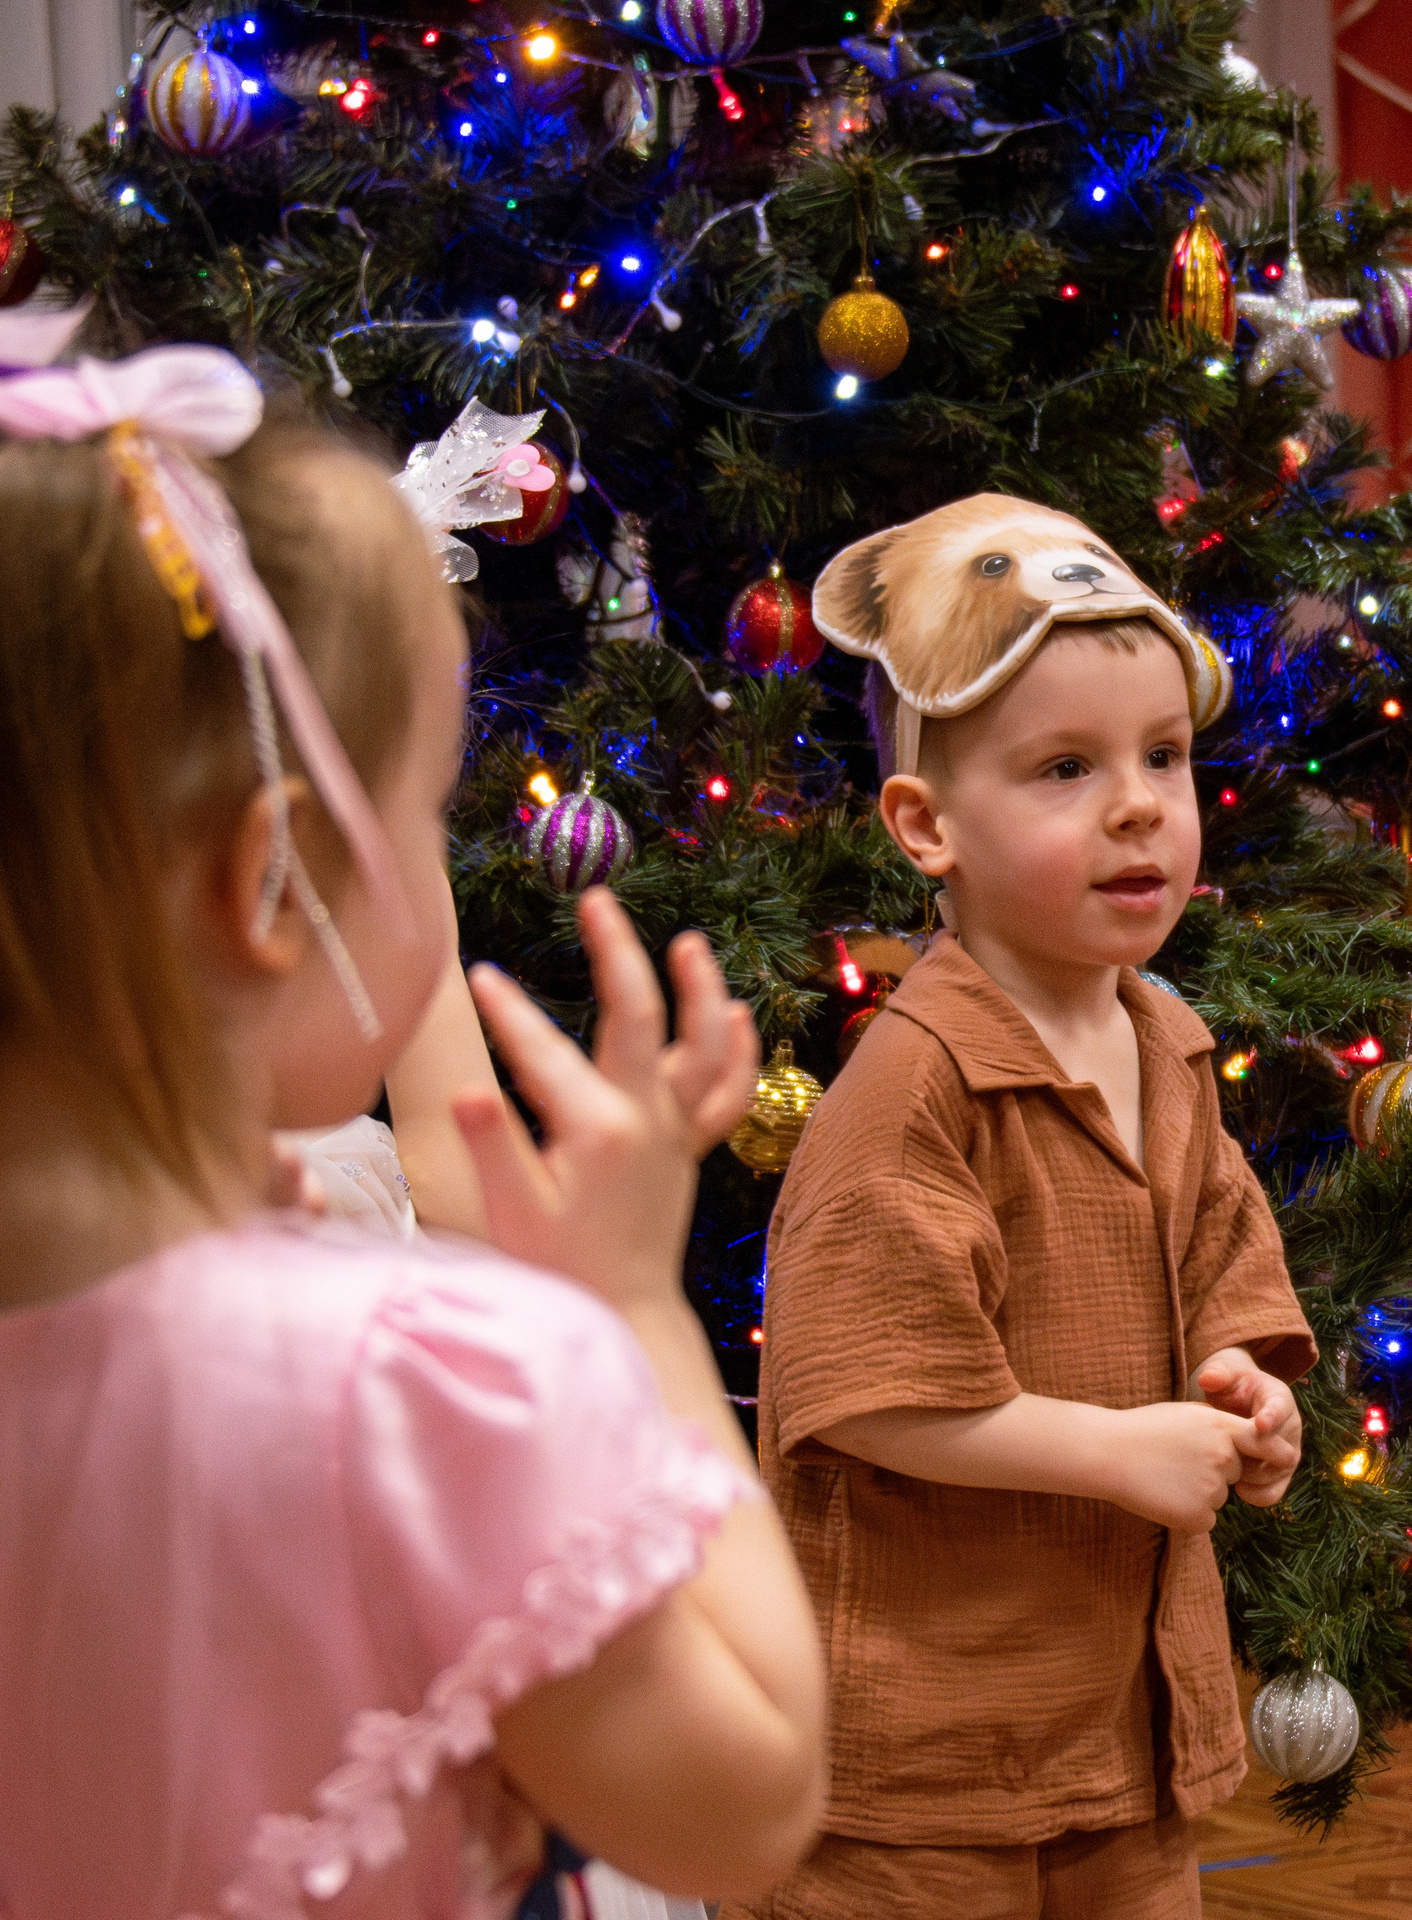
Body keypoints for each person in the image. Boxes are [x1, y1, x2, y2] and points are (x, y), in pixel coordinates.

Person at [0, 315, 826, 1919]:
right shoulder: (429, 1387)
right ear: (267, 880)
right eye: (426, 812)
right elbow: (756, 1796)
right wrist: (636, 1303)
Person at [744, 495, 1316, 1920]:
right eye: (1067, 767)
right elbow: (862, 1392)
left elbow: (1223, 1260)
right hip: (925, 1763)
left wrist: (1245, 1386)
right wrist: (1115, 1454)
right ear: (927, 825)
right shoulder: (915, 1087)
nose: (1138, 805)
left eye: (1164, 757)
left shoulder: (1167, 1045)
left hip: (1123, 1724)